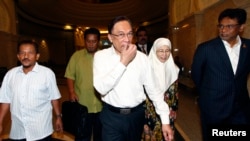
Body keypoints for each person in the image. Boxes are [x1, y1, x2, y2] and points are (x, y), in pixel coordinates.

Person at [93, 16, 174, 141]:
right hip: (112, 117)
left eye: (129, 34)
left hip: (136, 116)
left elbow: (154, 91)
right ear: (110, 37)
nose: (126, 39)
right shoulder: (101, 57)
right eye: (121, 35)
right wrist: (124, 62)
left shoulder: (142, 59)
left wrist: (165, 120)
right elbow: (101, 88)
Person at [191, 8, 250, 141]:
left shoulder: (248, 47)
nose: (223, 30)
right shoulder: (206, 48)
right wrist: (209, 95)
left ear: (241, 27)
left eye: (229, 26)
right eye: (221, 26)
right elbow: (196, 75)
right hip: (214, 108)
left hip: (240, 108)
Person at [0, 39, 63, 141]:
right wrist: (0, 122)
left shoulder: (47, 74)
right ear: (18, 56)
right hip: (18, 130)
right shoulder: (10, 75)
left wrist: (58, 117)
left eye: (30, 53)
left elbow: (54, 97)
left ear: (37, 56)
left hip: (41, 130)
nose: (26, 56)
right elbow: (5, 100)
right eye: (22, 53)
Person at [65, 27, 103, 141]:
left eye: (94, 41)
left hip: (102, 105)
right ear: (84, 41)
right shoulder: (76, 56)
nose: (91, 44)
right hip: (82, 104)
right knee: (82, 135)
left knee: (100, 136)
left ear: (98, 41)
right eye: (88, 41)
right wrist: (71, 92)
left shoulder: (104, 56)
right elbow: (70, 75)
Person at [143, 38, 179, 141]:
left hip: (169, 112)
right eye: (161, 51)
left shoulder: (174, 69)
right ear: (154, 51)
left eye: (167, 50)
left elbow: (175, 94)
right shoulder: (147, 68)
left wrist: (173, 112)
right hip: (150, 112)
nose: (164, 54)